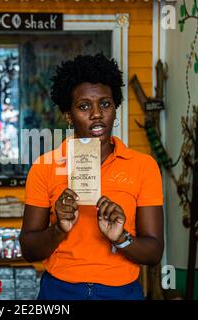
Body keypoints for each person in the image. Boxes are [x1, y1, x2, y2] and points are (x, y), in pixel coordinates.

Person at [19, 53, 164, 300]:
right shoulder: (44, 166)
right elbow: (29, 249)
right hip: (60, 292)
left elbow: (153, 253)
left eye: (105, 104)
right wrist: (59, 229)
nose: (96, 114)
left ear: (115, 108)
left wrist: (122, 238)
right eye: (84, 106)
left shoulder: (143, 166)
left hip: (122, 292)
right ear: (68, 115)